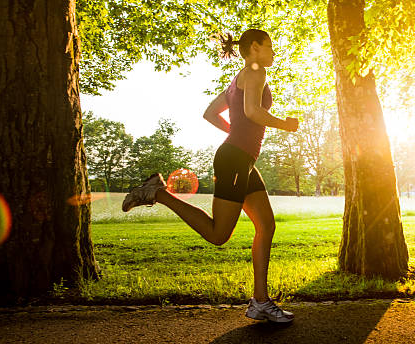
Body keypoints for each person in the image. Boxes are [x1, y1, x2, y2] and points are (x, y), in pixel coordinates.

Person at [121, 29, 298, 323]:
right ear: (254, 47)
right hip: (236, 160)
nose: (273, 52)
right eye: (270, 46)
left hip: (241, 159)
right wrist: (284, 124)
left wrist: (238, 135)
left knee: (266, 225)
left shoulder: (237, 80)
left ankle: (260, 302)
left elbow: (210, 113)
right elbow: (253, 111)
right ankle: (158, 193)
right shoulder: (256, 71)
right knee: (219, 235)